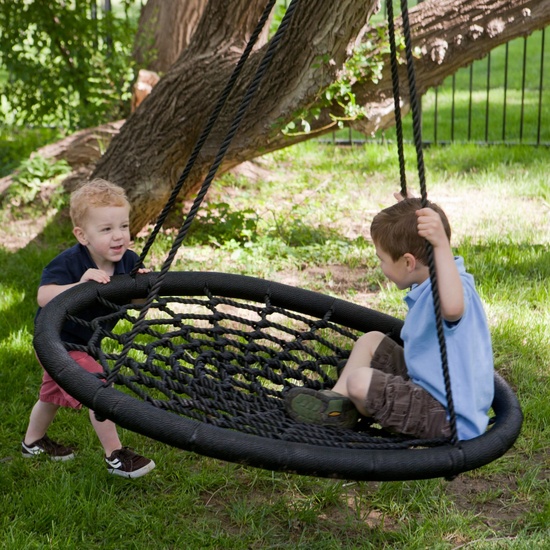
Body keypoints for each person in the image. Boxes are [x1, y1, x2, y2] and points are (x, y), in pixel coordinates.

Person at [285, 194, 494, 441]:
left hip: (447, 418)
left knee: (360, 382)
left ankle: (352, 398)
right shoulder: (436, 276)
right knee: (372, 340)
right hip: (427, 383)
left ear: (408, 262)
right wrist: (413, 214)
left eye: (382, 259)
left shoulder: (450, 289)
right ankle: (336, 404)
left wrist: (440, 245)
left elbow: (452, 309)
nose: (381, 267)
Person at [22, 178, 156, 478]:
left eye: (123, 226)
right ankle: (116, 455)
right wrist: (79, 286)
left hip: (88, 342)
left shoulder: (128, 260)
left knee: (49, 396)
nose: (118, 236)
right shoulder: (70, 262)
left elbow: (135, 301)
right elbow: (43, 296)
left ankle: (32, 443)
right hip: (56, 342)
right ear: (82, 235)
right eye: (106, 230)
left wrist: (142, 286)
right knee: (98, 386)